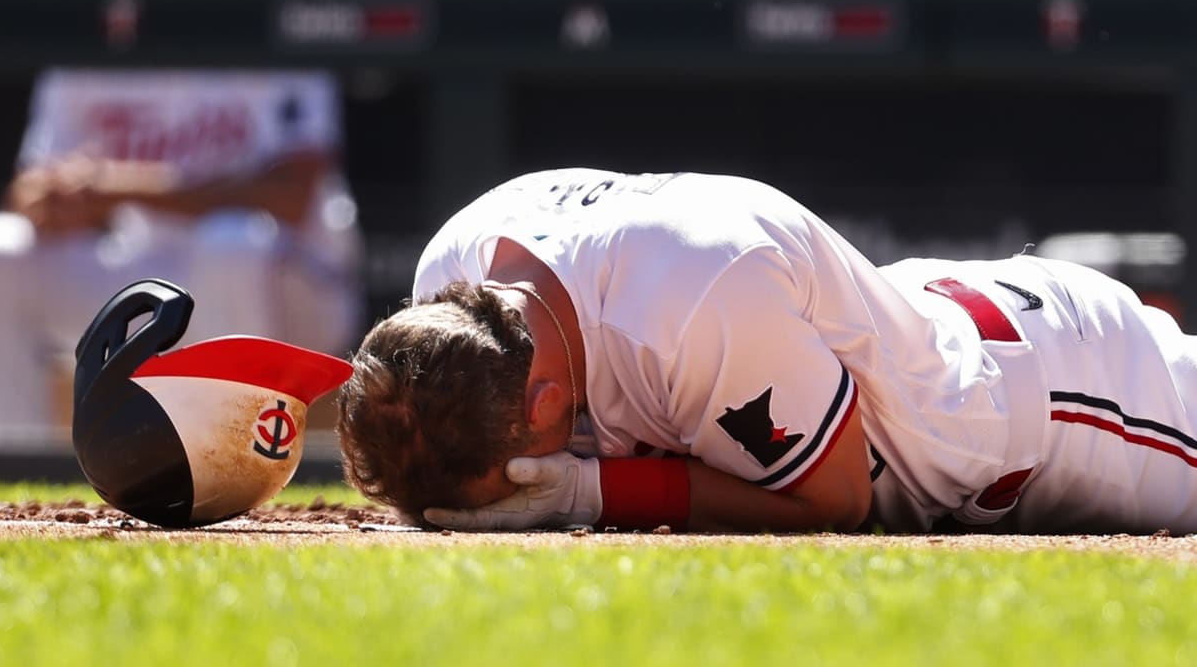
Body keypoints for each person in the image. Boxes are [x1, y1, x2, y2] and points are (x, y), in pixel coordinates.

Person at [335, 167, 1197, 535]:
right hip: (915, 328)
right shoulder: (453, 266)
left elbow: (835, 499)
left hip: (1061, 399)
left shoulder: (693, 308)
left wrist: (589, 490)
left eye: (505, 483)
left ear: (545, 405)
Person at [0, 0, 364, 433]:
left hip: (294, 284)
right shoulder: (96, 37)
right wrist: (57, 201)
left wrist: (117, 185)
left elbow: (292, 194)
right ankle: (10, 472)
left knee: (233, 242)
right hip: (150, 269)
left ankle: (234, 458)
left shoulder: (275, 23)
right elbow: (29, 192)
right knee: (3, 248)